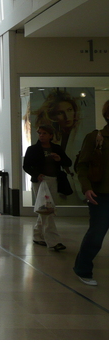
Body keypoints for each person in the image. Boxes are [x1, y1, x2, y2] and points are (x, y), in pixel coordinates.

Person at [73, 100, 109, 285]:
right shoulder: (96, 137)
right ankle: (83, 269)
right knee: (97, 234)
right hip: (100, 194)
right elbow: (82, 165)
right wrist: (86, 187)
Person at [23, 124, 70, 252]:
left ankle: (38, 235)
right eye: (40, 133)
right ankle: (54, 241)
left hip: (54, 180)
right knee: (47, 209)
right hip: (40, 182)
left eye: (44, 133)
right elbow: (26, 166)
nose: (41, 135)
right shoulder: (32, 149)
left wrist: (59, 159)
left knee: (46, 209)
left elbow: (68, 162)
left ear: (50, 135)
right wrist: (36, 174)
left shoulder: (56, 148)